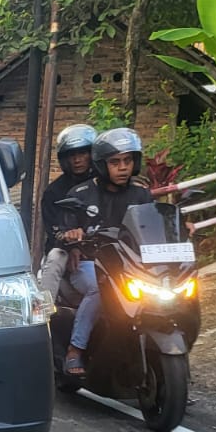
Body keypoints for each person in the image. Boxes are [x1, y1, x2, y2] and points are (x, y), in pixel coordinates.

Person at [60, 127, 154, 376]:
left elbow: (154, 225)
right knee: (100, 288)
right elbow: (63, 229)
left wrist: (179, 226)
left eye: (128, 160)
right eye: (115, 162)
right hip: (90, 263)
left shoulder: (142, 194)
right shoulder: (80, 194)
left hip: (132, 265)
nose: (123, 167)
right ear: (102, 165)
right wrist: (72, 235)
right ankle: (75, 349)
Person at [37, 125, 97, 297]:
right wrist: (72, 246)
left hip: (99, 248)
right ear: (65, 159)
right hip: (63, 249)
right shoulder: (54, 192)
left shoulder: (103, 185)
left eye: (83, 153)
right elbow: (55, 231)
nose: (77, 160)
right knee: (56, 257)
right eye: (72, 155)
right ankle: (43, 312)